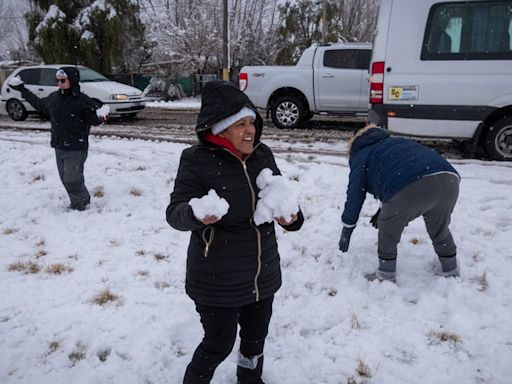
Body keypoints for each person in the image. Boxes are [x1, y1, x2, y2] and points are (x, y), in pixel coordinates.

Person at [166, 80, 304, 384]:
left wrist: (292, 218)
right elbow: (174, 215)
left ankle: (249, 379)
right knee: (219, 344)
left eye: (251, 122)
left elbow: (282, 197)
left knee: (255, 339)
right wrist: (196, 213)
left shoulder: (262, 154)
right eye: (240, 124)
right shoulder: (196, 160)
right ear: (220, 128)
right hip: (217, 280)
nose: (249, 130)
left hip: (261, 274)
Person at [338, 124, 460, 282]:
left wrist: (347, 229)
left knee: (387, 229)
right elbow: (390, 173)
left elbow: (355, 194)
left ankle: (386, 275)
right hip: (449, 179)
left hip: (411, 184)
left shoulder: (360, 154)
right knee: (439, 228)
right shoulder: (394, 142)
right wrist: (383, 207)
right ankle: (450, 269)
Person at [8, 67, 106, 211]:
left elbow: (94, 119)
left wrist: (101, 117)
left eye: (62, 80)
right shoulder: (54, 98)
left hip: (76, 146)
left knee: (72, 178)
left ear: (72, 81)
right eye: (57, 81)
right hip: (59, 145)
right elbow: (39, 104)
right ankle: (78, 201)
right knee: (65, 178)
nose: (59, 84)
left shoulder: (83, 100)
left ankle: (81, 204)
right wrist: (22, 89)